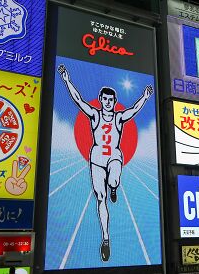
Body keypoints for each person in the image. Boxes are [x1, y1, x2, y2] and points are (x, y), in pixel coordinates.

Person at [57, 64, 154, 263]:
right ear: (101, 100)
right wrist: (67, 80)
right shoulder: (95, 115)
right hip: (97, 158)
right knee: (100, 199)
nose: (108, 102)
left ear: (114, 101)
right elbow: (78, 100)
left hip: (114, 156)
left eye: (111, 99)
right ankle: (106, 239)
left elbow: (134, 110)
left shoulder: (119, 118)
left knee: (115, 178)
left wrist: (145, 96)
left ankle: (114, 187)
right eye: (105, 99)